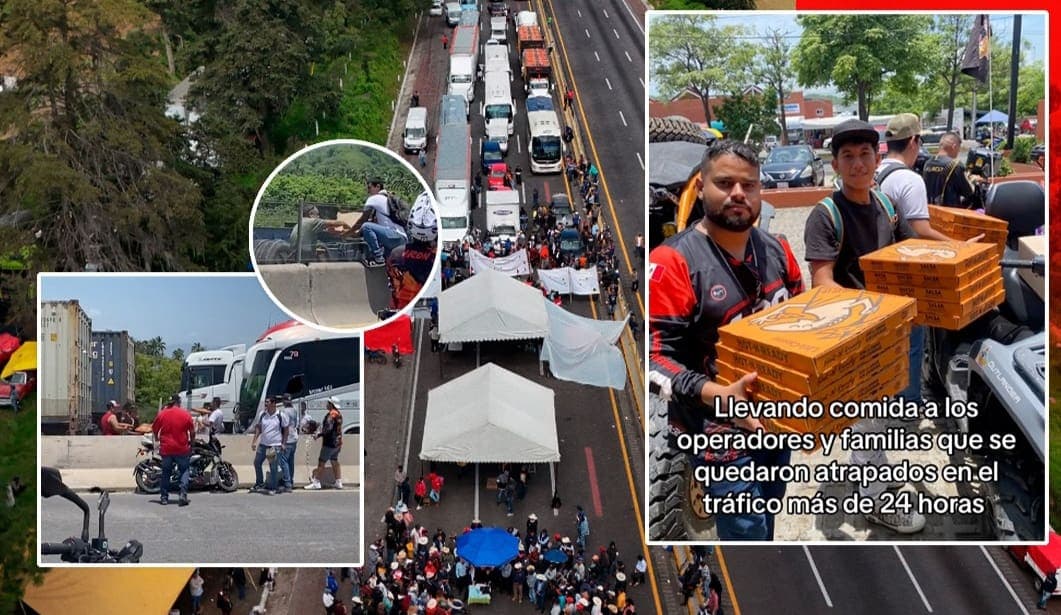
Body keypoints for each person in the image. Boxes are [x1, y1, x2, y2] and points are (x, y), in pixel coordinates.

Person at [649, 140, 804, 540]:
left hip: (775, 423)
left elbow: (804, 330)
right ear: (701, 187)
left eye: (748, 185)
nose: (738, 193)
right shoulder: (672, 263)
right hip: (718, 439)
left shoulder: (778, 249)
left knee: (768, 514)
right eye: (725, 183)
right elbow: (654, 361)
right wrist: (719, 395)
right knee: (746, 534)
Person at [803, 118, 925, 534]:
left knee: (876, 417)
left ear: (878, 158)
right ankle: (876, 500)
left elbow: (913, 253)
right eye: (848, 157)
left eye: (865, 155)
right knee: (867, 418)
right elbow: (822, 284)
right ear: (835, 165)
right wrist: (870, 313)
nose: (858, 164)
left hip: (888, 334)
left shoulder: (887, 208)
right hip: (852, 336)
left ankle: (872, 475)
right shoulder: (826, 215)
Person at [349, 179, 407, 267]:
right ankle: (383, 261)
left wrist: (349, 233)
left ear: (378, 187)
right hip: (402, 239)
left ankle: (378, 257)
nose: (368, 191)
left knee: (366, 226)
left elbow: (363, 220)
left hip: (393, 236)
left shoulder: (374, 198)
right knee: (390, 267)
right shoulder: (386, 198)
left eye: (369, 187)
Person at [153, 395, 195, 506]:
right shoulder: (185, 414)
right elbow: (192, 431)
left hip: (166, 449)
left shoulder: (162, 413)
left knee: (166, 472)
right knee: (184, 471)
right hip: (181, 448)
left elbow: (155, 428)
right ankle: (182, 494)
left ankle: (164, 497)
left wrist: (157, 439)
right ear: (179, 402)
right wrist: (192, 443)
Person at [922, 131, 981, 209]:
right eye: (959, 149)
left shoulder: (928, 163)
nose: (958, 152)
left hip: (930, 211)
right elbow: (968, 192)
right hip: (948, 213)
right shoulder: (955, 165)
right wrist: (972, 180)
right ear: (954, 146)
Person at [250, 396, 289, 495]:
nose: (266, 404)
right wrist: (254, 441)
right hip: (263, 445)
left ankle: (273, 487)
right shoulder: (262, 414)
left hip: (274, 446)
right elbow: (259, 428)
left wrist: (283, 444)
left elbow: (286, 430)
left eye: (267, 402)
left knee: (273, 467)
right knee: (257, 463)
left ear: (273, 403)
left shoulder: (280, 415)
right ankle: (259, 483)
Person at [305, 396, 344, 489]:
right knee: (334, 461)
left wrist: (317, 435)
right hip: (338, 443)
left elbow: (328, 429)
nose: (326, 404)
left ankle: (316, 482)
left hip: (329, 443)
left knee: (321, 462)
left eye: (328, 403)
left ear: (331, 404)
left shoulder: (331, 415)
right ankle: (338, 482)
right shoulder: (339, 414)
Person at [278, 395, 300, 492]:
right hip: (294, 438)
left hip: (288, 439)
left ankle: (287, 483)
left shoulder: (284, 412)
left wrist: (282, 441)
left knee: (283, 461)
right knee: (290, 461)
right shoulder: (294, 410)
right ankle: (290, 480)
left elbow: (284, 427)